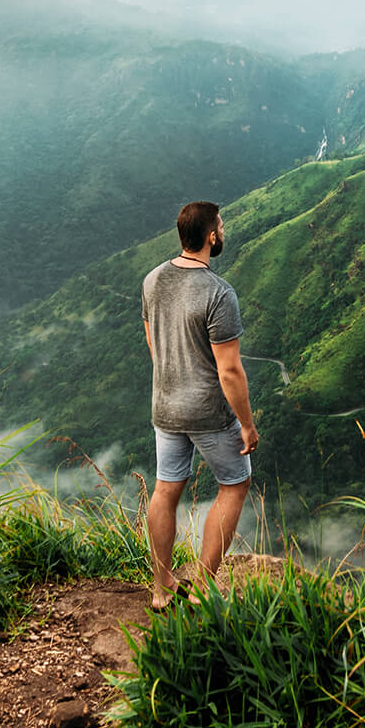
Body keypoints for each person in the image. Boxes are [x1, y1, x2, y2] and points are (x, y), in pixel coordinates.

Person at [141, 200, 258, 610]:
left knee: (165, 490)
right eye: (220, 226)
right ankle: (204, 587)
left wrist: (173, 377)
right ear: (211, 236)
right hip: (209, 411)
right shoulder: (219, 293)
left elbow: (154, 340)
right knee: (235, 483)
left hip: (165, 406)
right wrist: (246, 423)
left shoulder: (152, 280)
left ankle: (161, 589)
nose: (223, 230)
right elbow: (230, 372)